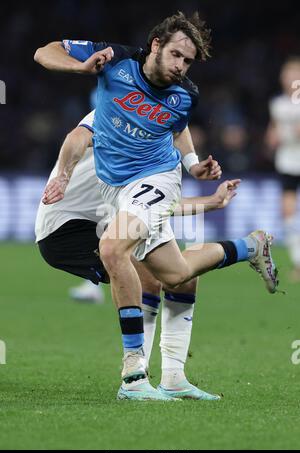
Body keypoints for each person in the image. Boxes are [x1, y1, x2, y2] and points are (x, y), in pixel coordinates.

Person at [34, 11, 279, 401]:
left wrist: (192, 164)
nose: (181, 66)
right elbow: (44, 52)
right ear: (156, 45)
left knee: (114, 248)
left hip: (156, 178)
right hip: (117, 188)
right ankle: (249, 246)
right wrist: (79, 66)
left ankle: (133, 377)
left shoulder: (186, 92)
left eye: (188, 61)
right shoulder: (113, 61)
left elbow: (177, 126)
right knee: (176, 273)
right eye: (177, 55)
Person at [36, 110, 238, 401]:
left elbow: (155, 205)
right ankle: (134, 378)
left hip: (107, 219)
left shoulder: (157, 149)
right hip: (66, 226)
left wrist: (209, 202)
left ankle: (173, 378)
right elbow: (77, 137)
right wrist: (64, 176)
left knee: (180, 278)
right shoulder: (120, 108)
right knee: (149, 276)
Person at [266, 57, 300, 282]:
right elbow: (272, 135)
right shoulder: (277, 104)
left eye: (294, 74)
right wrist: (273, 138)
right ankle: (298, 262)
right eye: (286, 74)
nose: (289, 78)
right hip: (288, 162)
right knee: (288, 215)